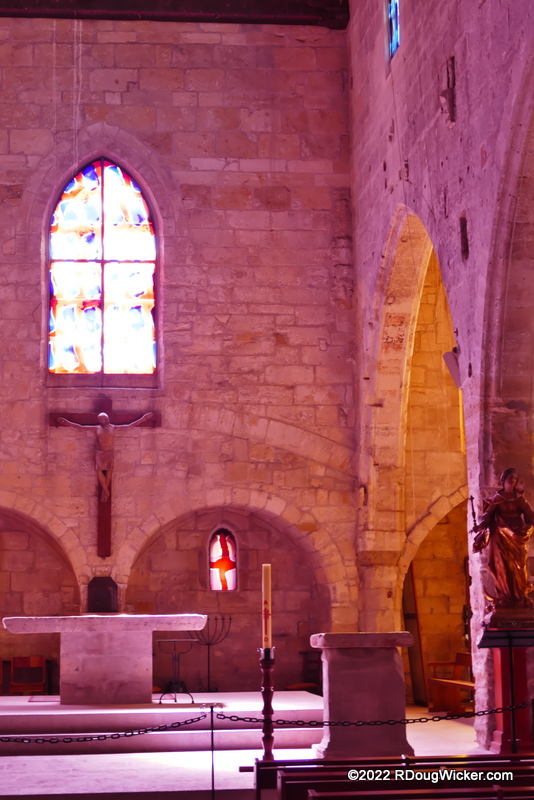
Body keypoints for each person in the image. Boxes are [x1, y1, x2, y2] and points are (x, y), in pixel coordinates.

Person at [473, 468, 534, 609]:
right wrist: (479, 527)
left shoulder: (520, 499)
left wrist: (526, 528)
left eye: (515, 478)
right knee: (503, 567)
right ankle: (505, 596)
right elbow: (488, 516)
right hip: (500, 538)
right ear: (503, 480)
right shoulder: (497, 499)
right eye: (510, 477)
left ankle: (520, 595)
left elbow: (531, 516)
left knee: (519, 566)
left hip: (517, 537)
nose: (513, 480)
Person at [58, 411, 153, 502]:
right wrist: (67, 422)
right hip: (100, 452)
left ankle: (105, 491)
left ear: (106, 419)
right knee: (98, 470)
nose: (100, 420)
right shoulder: (97, 428)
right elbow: (81, 427)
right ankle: (106, 491)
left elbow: (129, 426)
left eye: (102, 418)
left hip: (109, 452)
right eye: (99, 419)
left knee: (109, 470)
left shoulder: (113, 427)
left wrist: (143, 419)